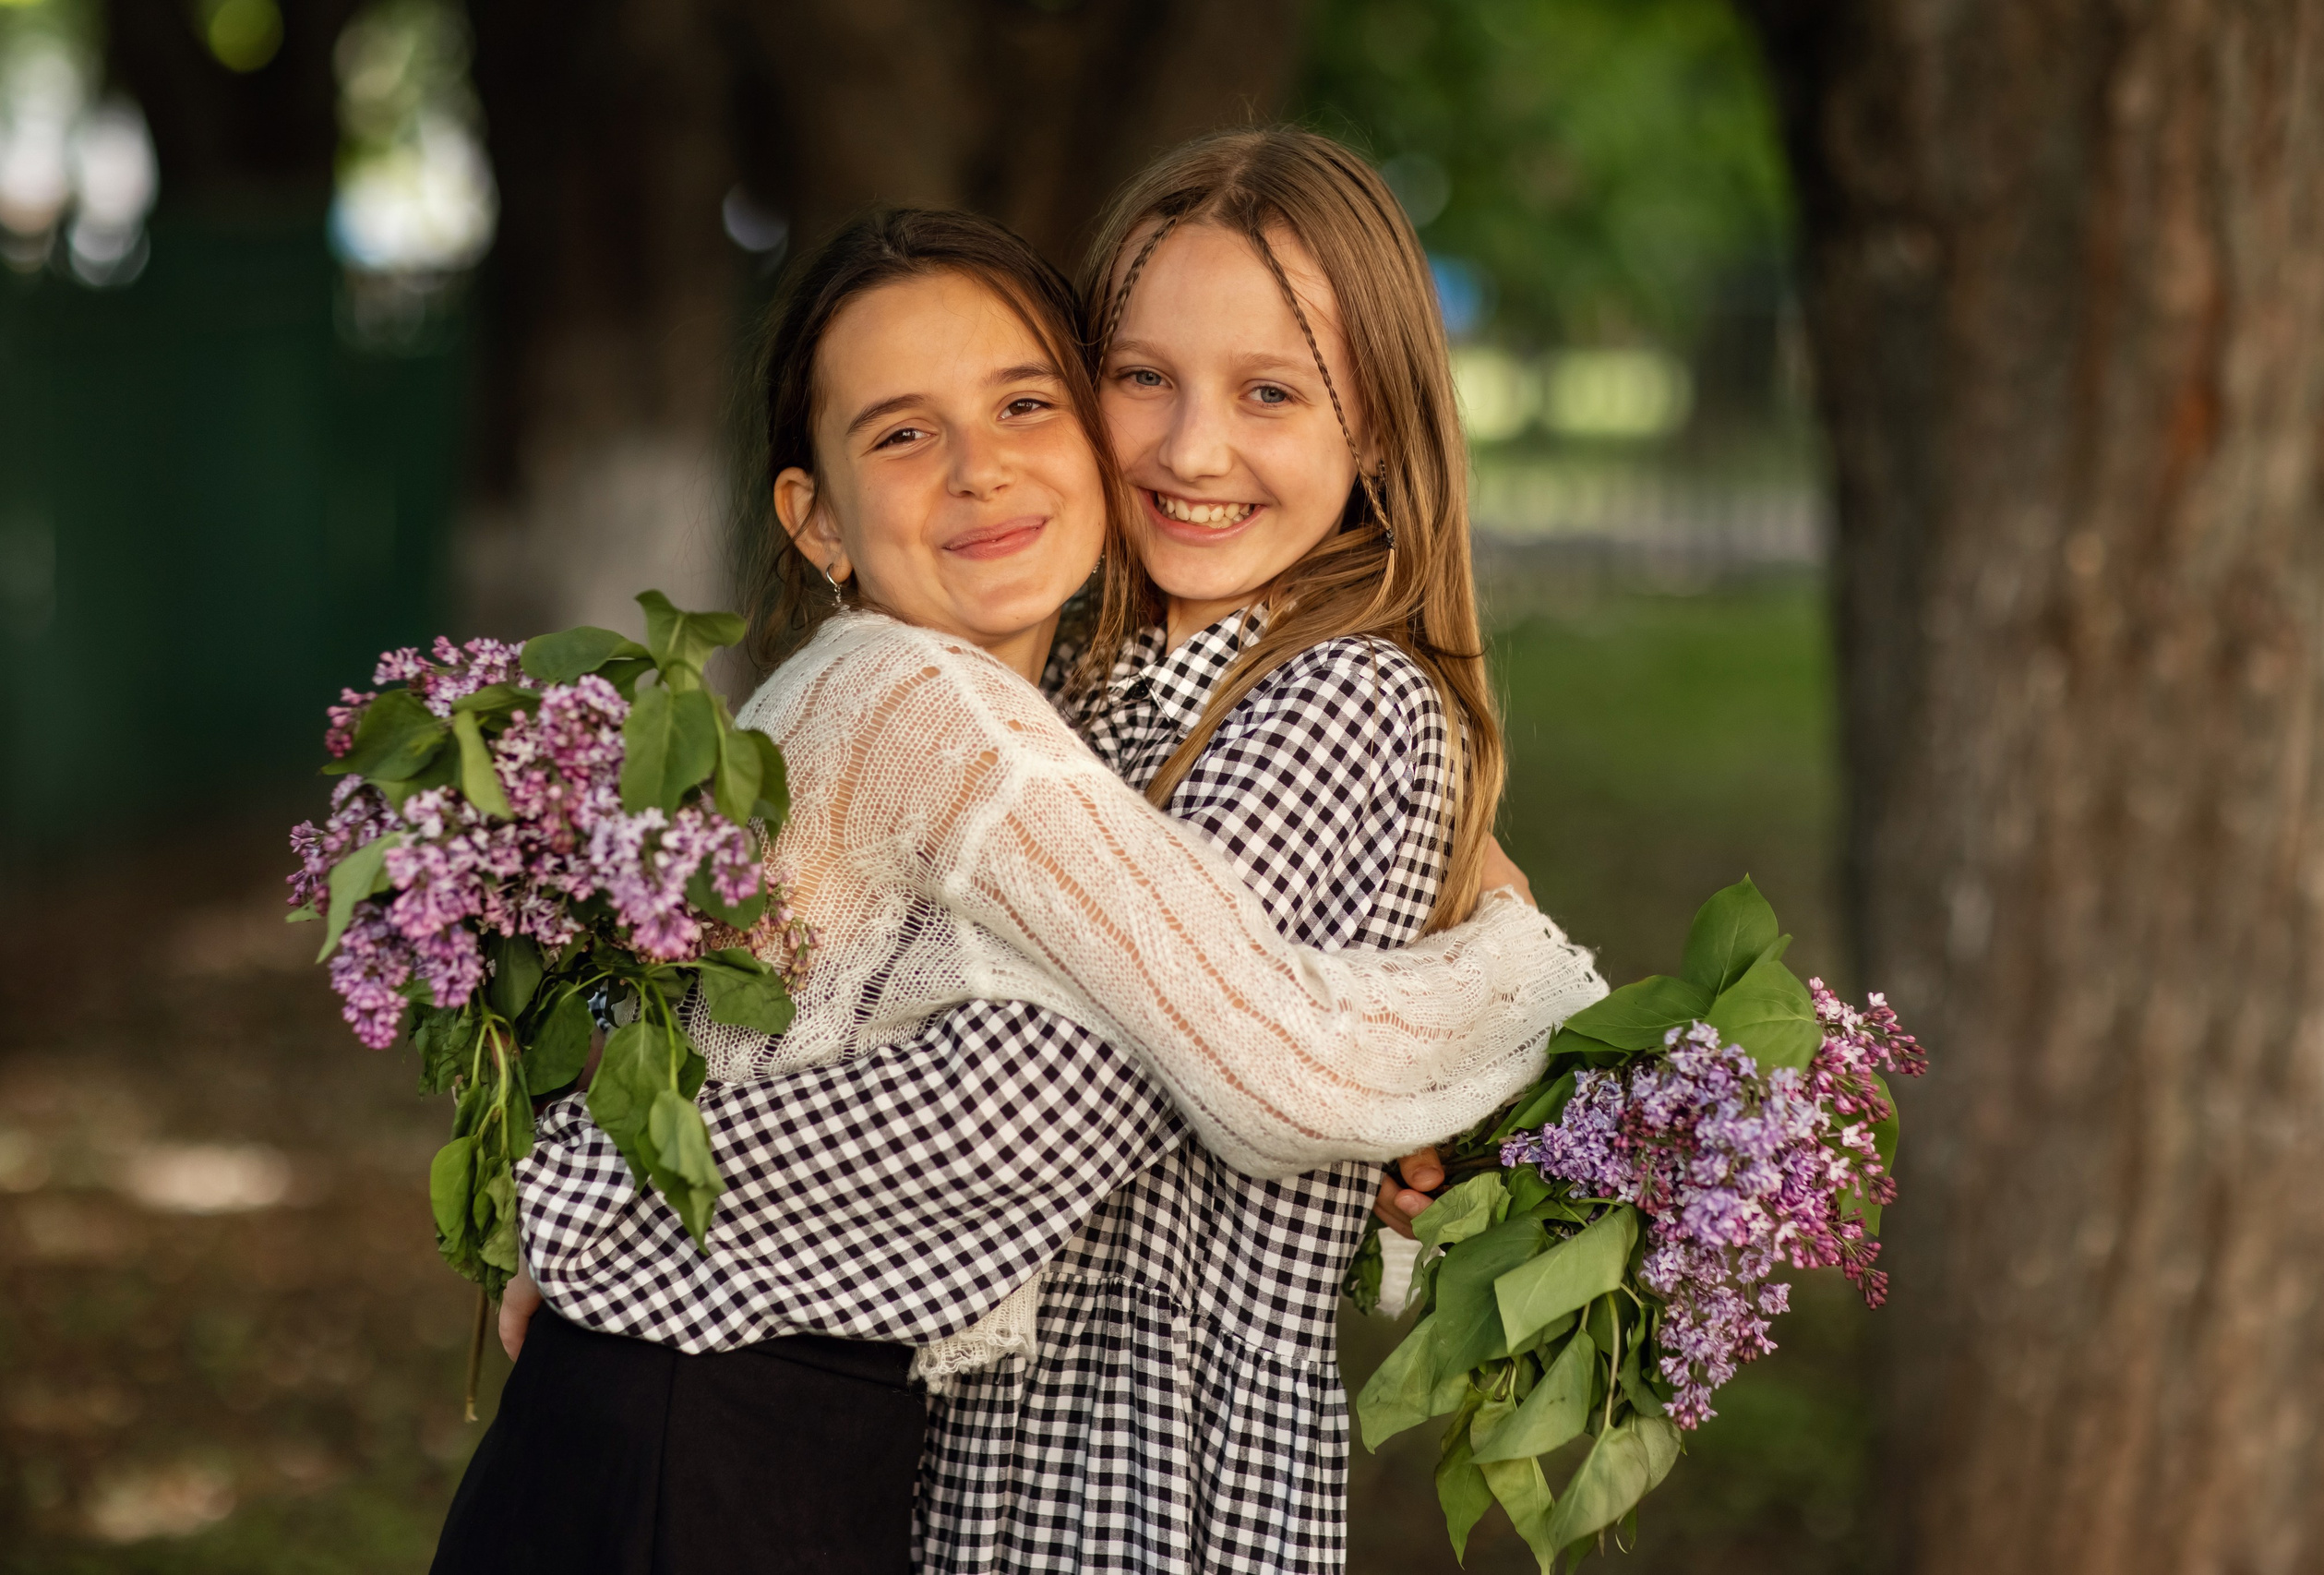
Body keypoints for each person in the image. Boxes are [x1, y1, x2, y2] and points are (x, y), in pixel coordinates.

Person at [433, 201, 1599, 1575]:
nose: (1190, 444)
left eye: (1272, 391)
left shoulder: (1321, 695)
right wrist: (1504, 971)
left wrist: (605, 1209)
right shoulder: (992, 701)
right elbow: (1051, 1079)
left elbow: (1044, 1095)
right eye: (1143, 377)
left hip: (1129, 1474)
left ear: (1383, 434)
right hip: (762, 1425)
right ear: (814, 521)